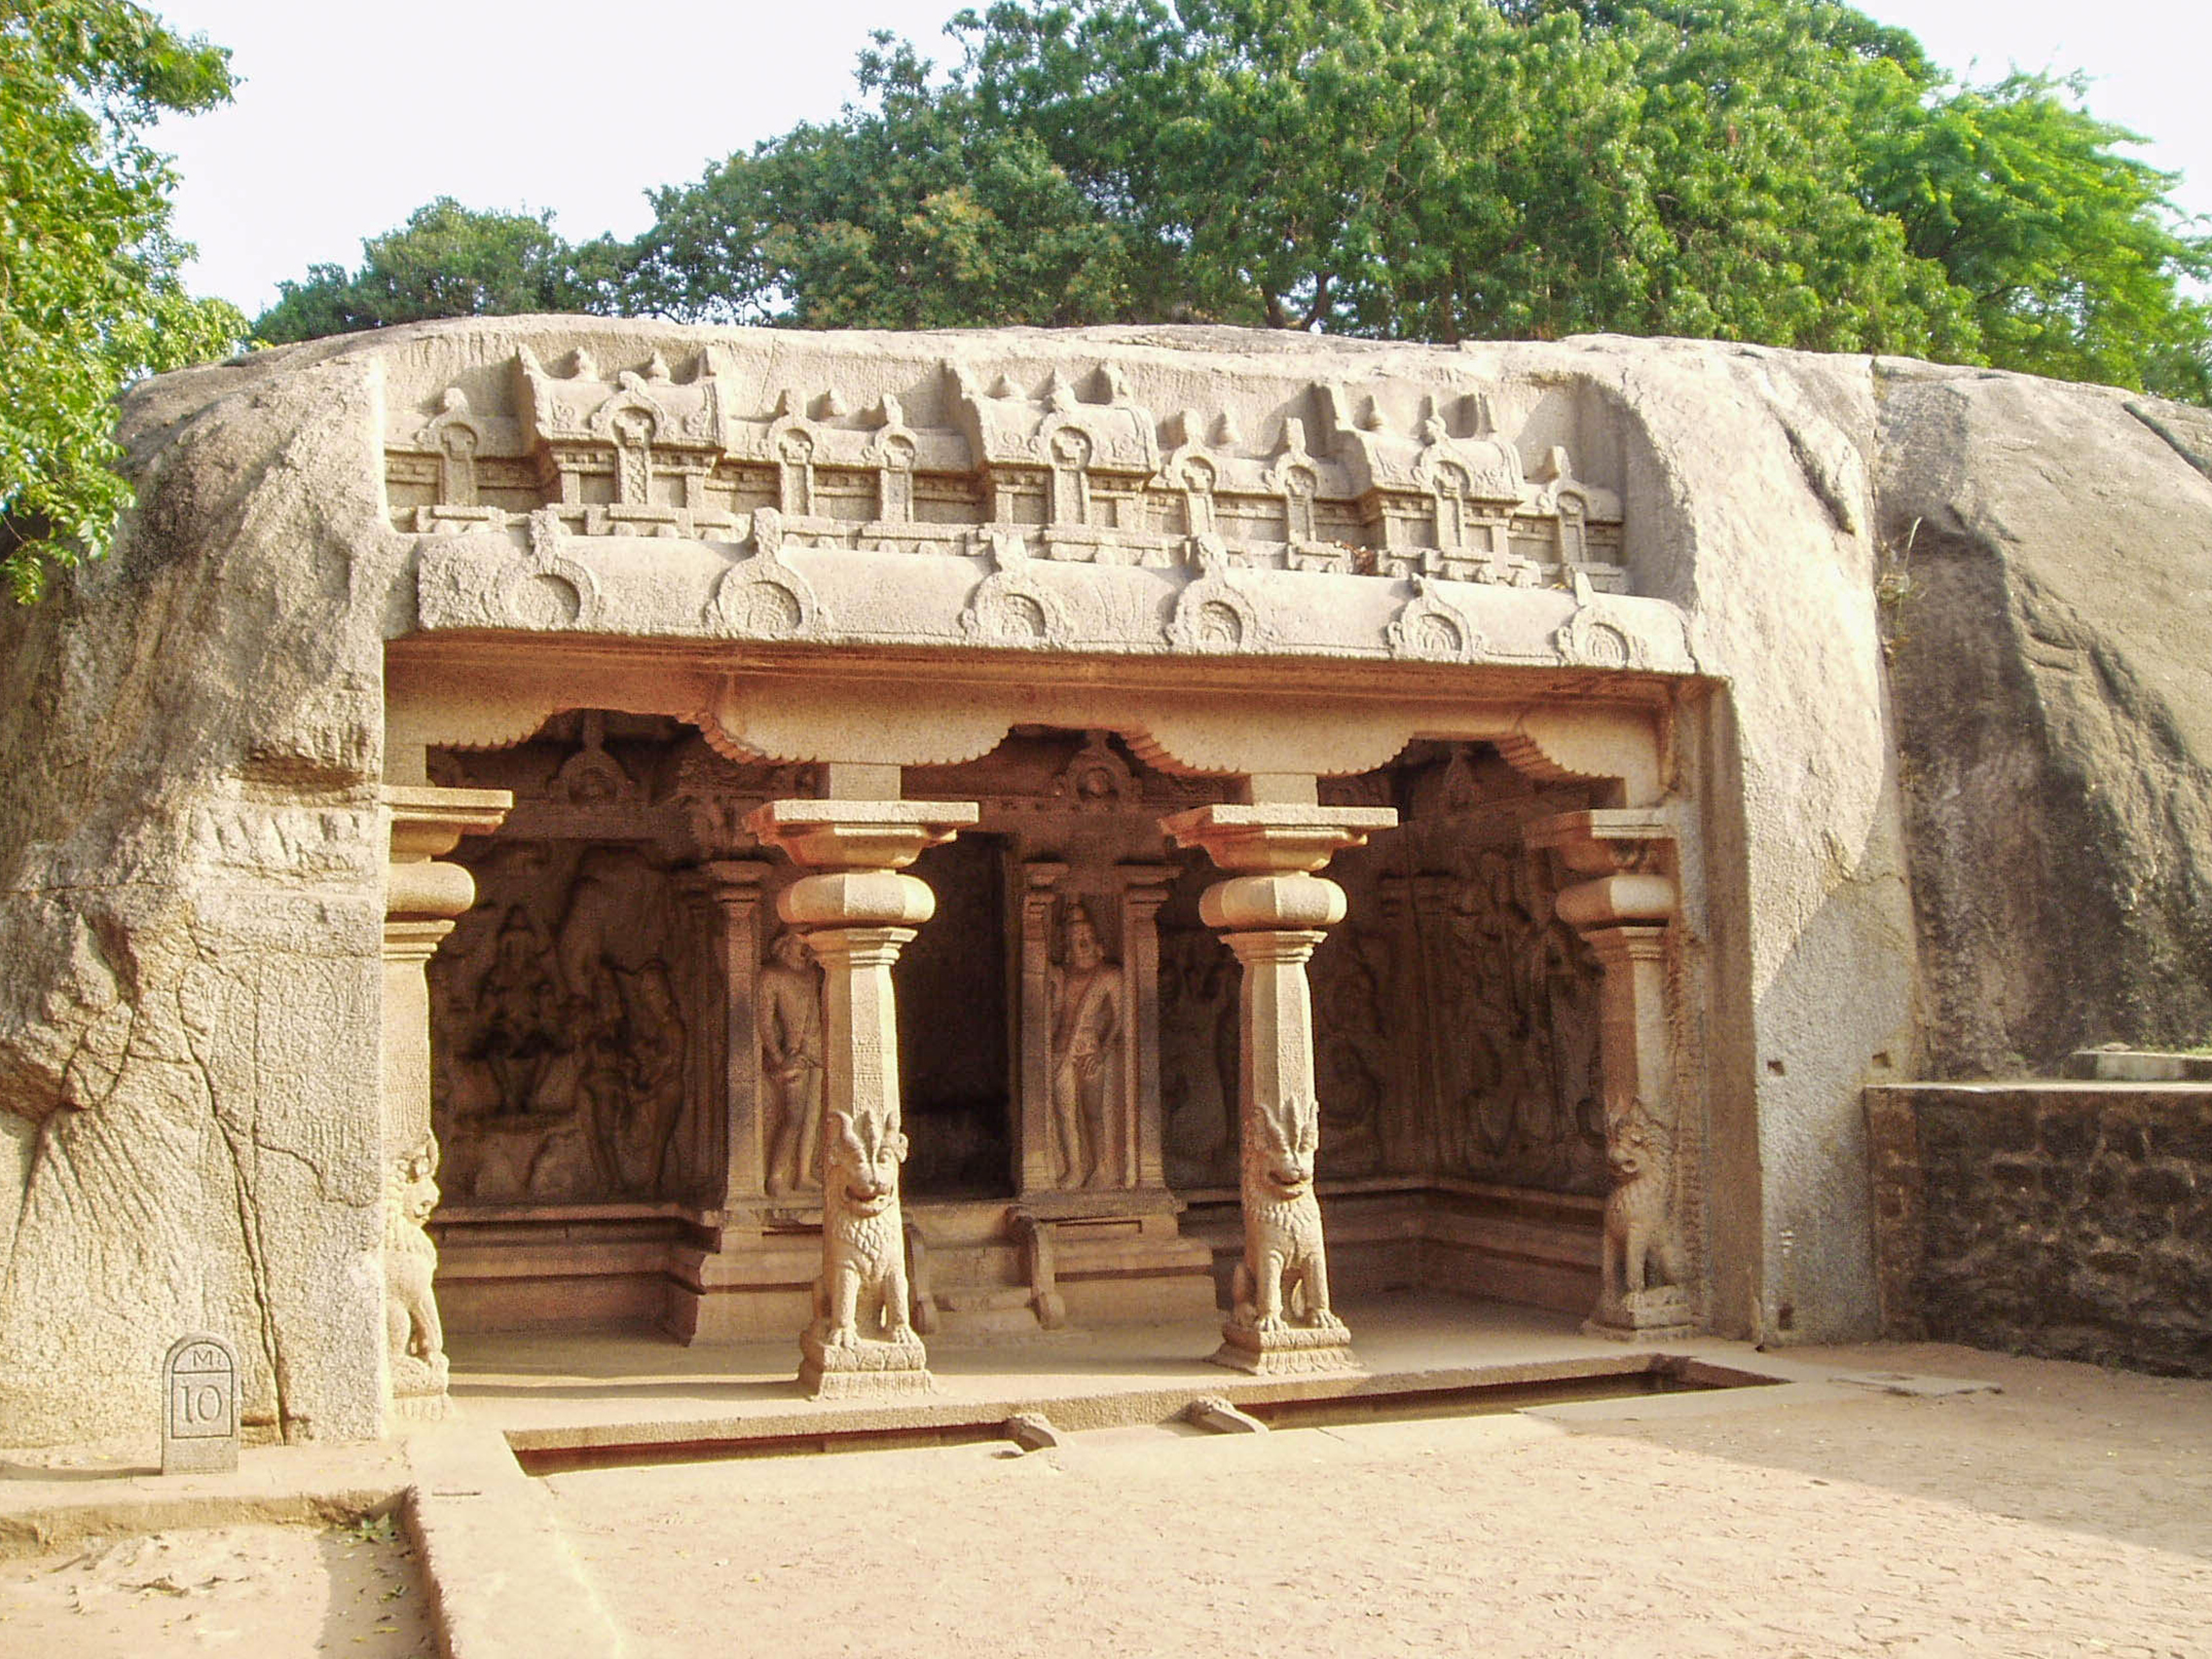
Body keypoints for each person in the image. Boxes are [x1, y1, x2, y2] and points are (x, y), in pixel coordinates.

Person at [1049, 902, 1124, 1188]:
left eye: (1087, 940)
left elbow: (1119, 1019)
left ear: (1098, 944)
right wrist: (1054, 988)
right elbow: (1054, 1014)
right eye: (1075, 941)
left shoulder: (1108, 975)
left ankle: (1102, 1166)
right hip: (1061, 1049)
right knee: (1065, 1113)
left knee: (1092, 1112)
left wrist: (1102, 1052)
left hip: (1090, 1049)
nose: (1082, 945)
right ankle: (1075, 1169)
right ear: (1067, 946)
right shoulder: (1062, 974)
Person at [757, 929, 826, 1196]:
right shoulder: (772, 975)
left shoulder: (811, 974)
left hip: (816, 1048)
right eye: (800, 943)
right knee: (793, 1117)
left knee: (813, 1118)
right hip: (792, 1053)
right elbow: (764, 1021)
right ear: (784, 944)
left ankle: (803, 1174)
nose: (804, 950)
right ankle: (775, 1176)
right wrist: (778, 1057)